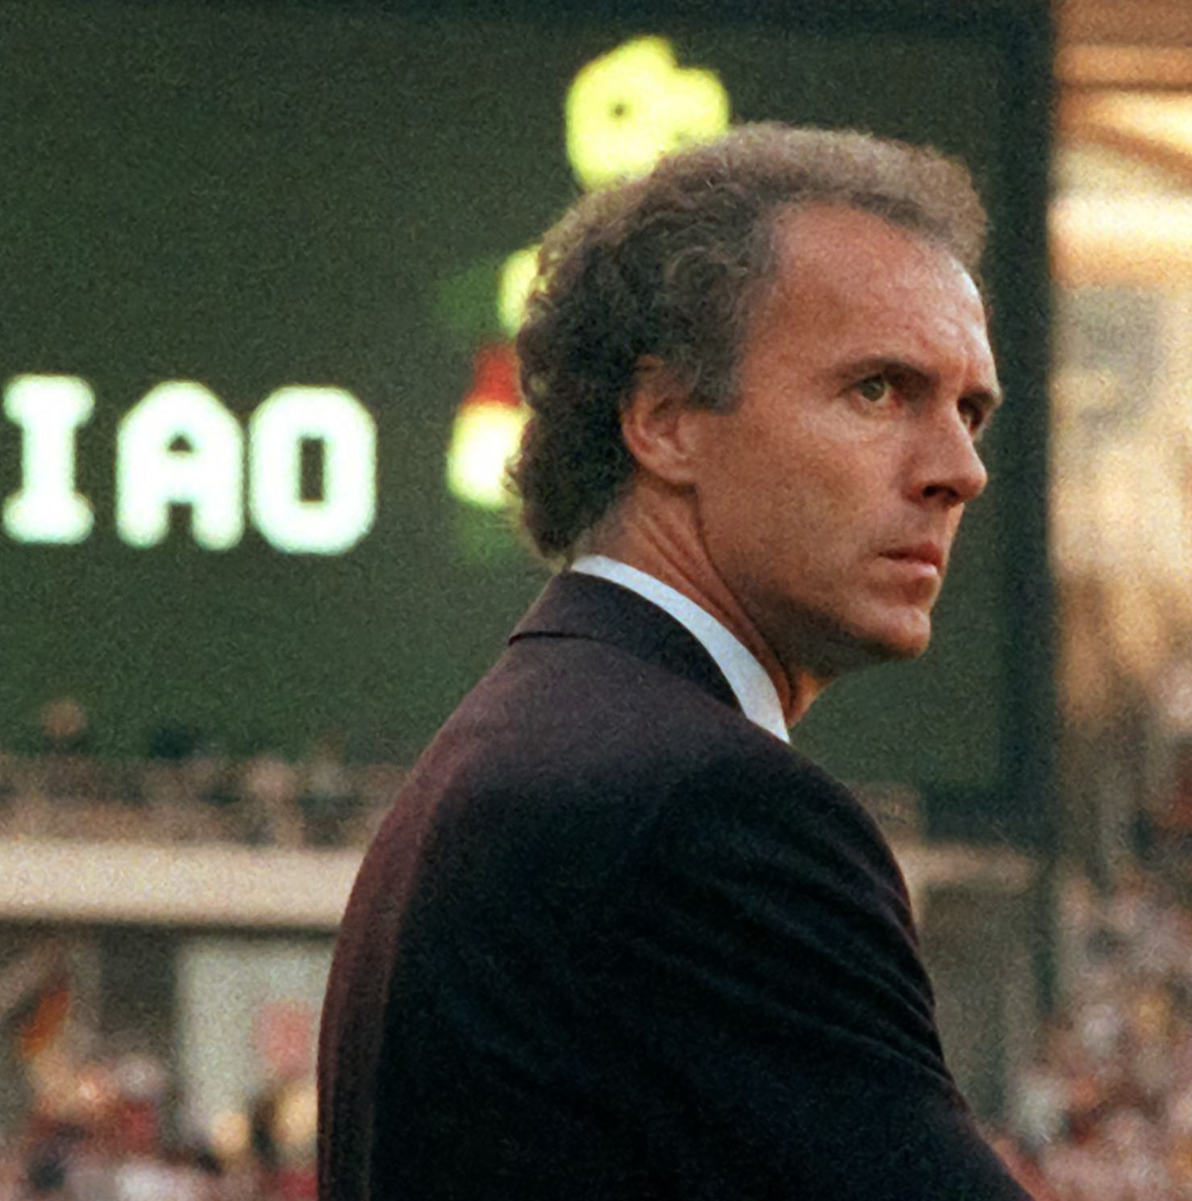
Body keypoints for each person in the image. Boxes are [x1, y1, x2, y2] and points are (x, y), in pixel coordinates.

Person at [318, 123, 1029, 1199]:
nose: (959, 469)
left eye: (969, 410)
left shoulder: (529, 745)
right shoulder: (706, 811)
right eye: (880, 391)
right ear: (663, 422)